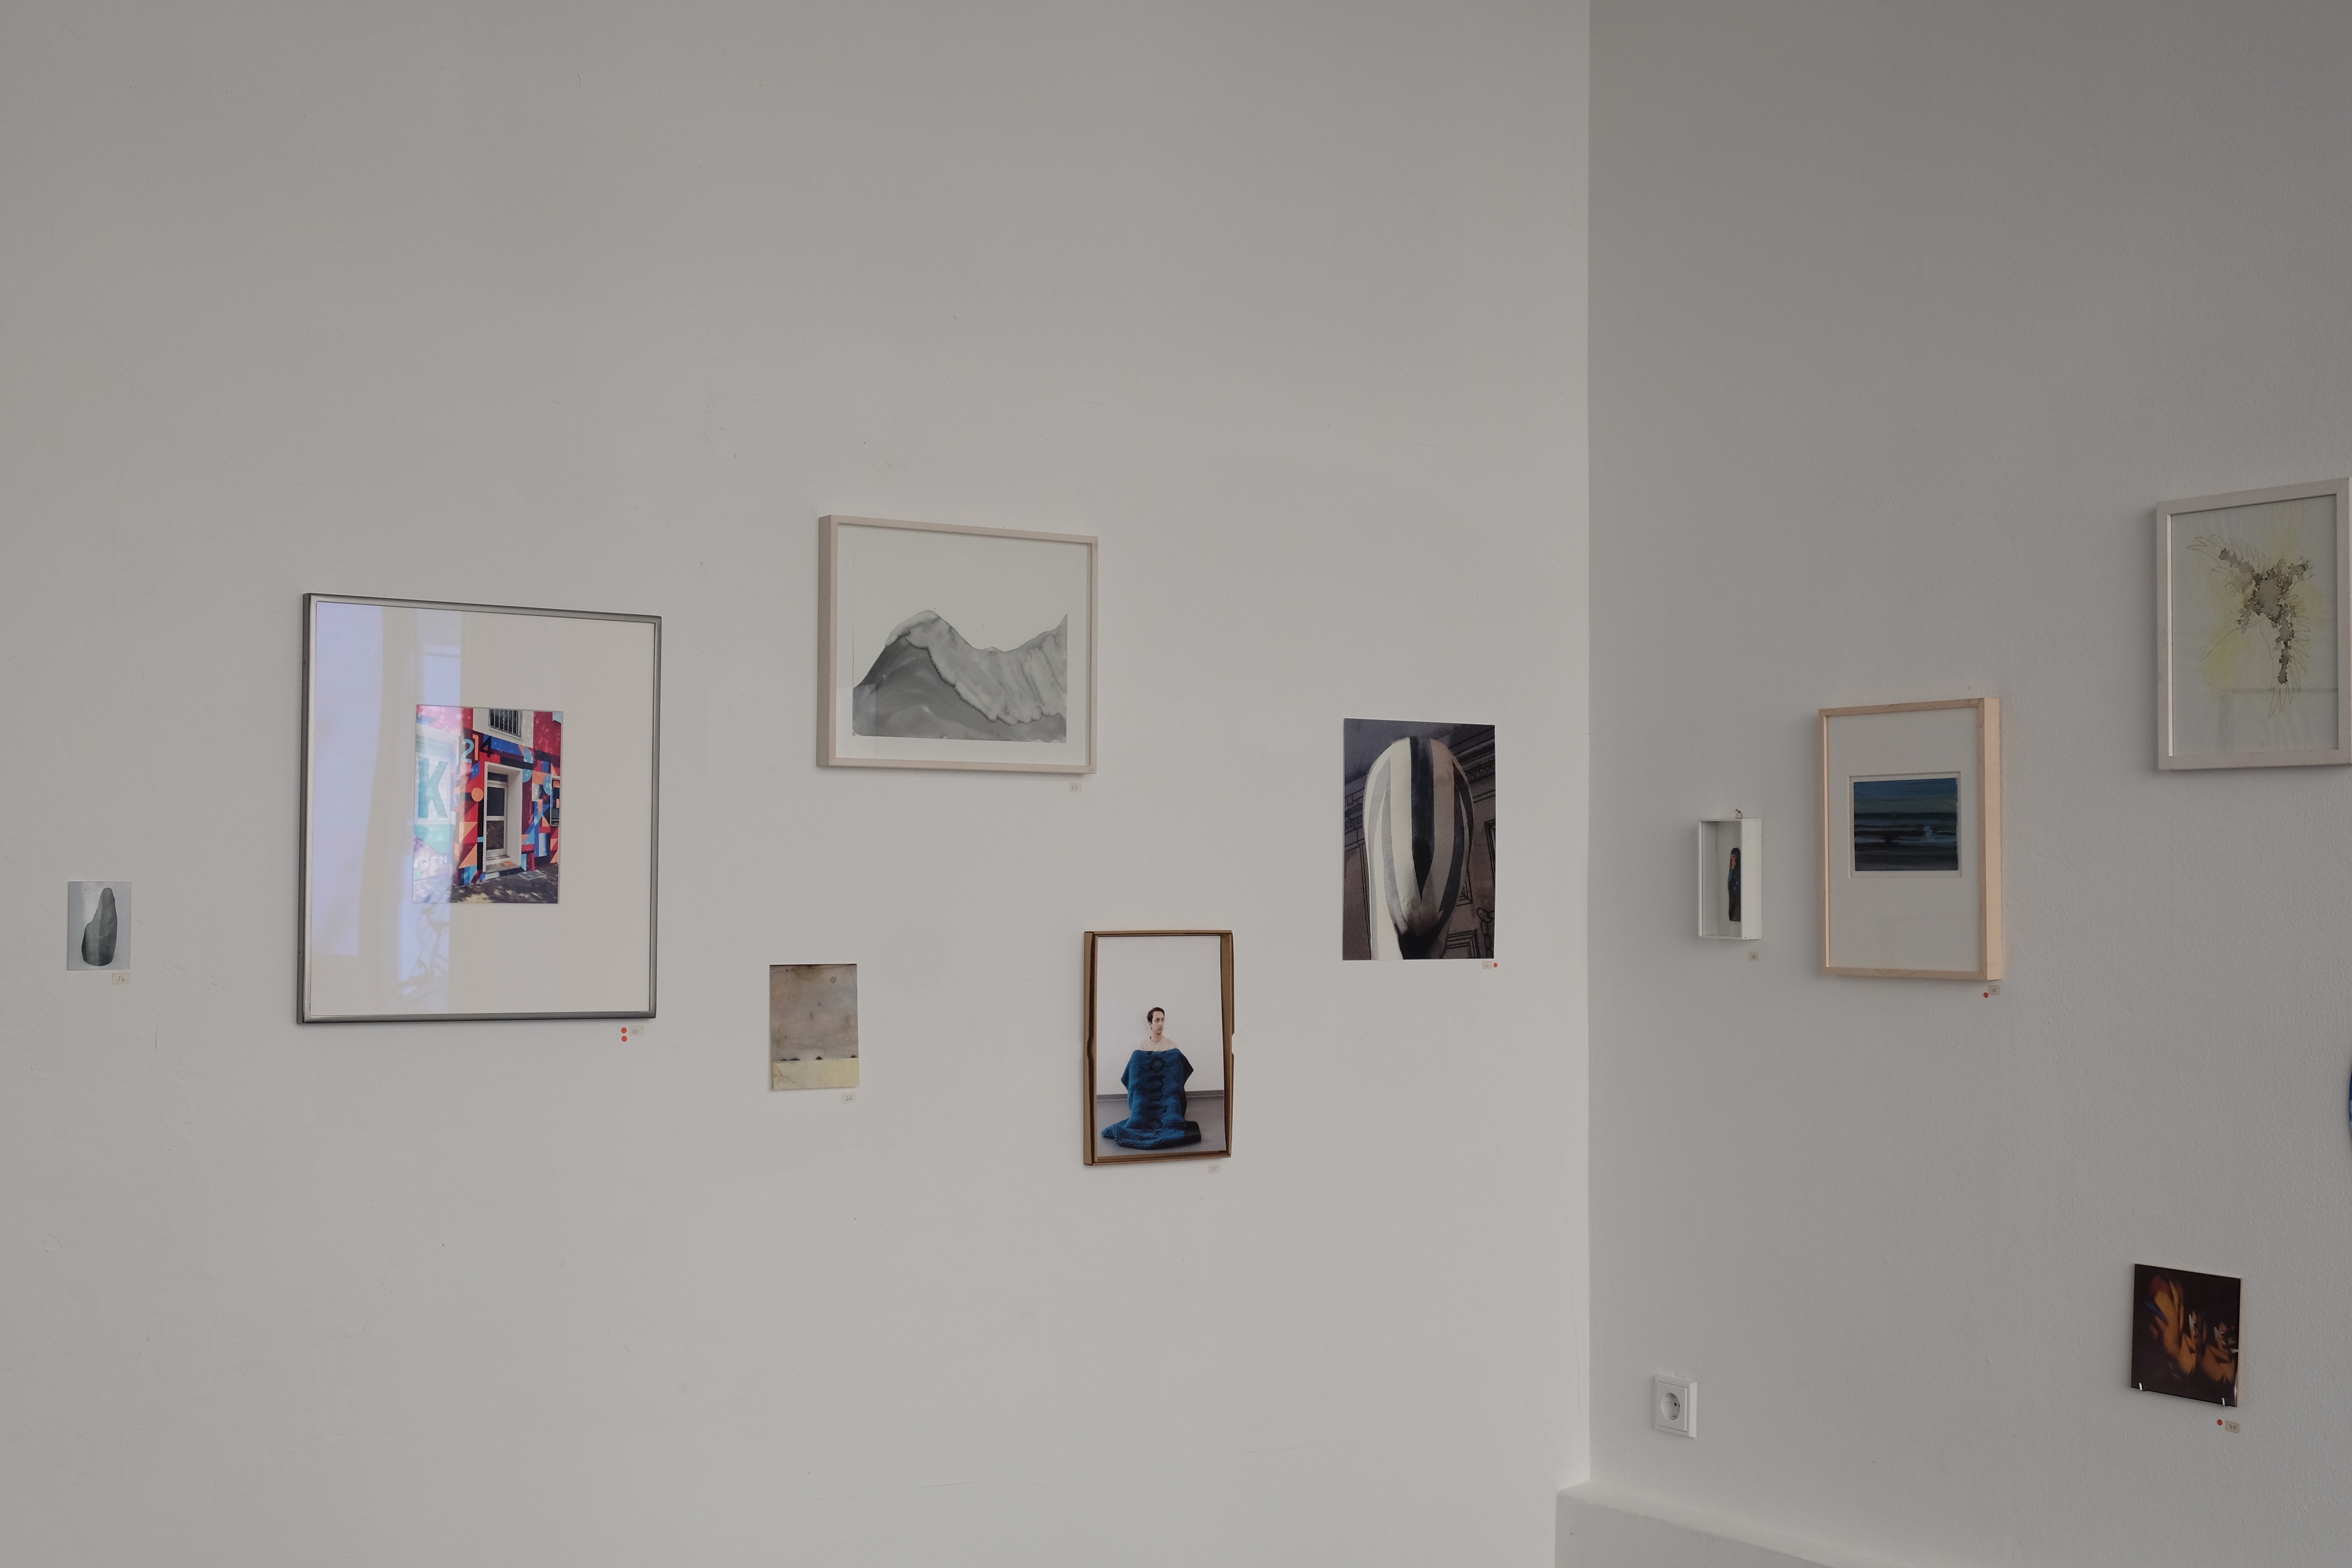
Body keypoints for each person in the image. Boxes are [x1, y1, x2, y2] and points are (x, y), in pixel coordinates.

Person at [1101, 1006, 1200, 1150]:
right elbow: (1135, 1077)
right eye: (1157, 1020)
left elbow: (1176, 1076)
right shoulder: (1141, 1047)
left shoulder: (1172, 1046)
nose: (1160, 1024)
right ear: (1150, 1024)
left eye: (1163, 1020)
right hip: (1145, 1096)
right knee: (1139, 1110)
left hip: (1168, 1095)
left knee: (1173, 1109)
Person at [1727, 846, 1742, 925]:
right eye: (1731, 857)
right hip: (1733, 892)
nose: (1732, 859)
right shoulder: (1732, 871)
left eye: (1734, 857)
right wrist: (1732, 869)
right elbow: (1730, 882)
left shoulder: (1739, 872)